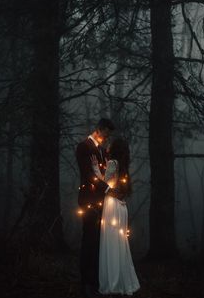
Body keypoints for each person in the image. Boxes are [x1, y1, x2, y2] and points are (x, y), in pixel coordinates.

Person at [76, 118, 120, 298]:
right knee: (89, 241)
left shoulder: (102, 150)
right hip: (88, 201)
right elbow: (88, 175)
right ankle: (86, 282)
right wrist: (108, 189)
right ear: (99, 129)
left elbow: (102, 174)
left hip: (102, 203)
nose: (107, 137)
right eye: (106, 133)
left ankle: (95, 280)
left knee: (98, 242)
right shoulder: (84, 147)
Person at [91, 138, 140, 296]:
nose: (109, 145)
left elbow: (103, 183)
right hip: (121, 207)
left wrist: (95, 168)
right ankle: (123, 282)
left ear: (115, 148)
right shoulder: (123, 165)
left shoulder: (113, 163)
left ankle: (112, 284)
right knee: (120, 245)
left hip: (112, 206)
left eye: (111, 144)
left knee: (111, 244)